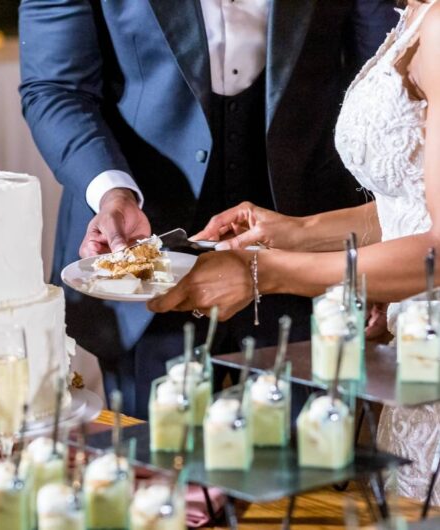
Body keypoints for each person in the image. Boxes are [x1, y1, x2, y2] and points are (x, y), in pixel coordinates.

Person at [19, 0, 397, 418]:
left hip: (307, 247)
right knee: (160, 467)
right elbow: (55, 88)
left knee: (312, 457)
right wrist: (113, 192)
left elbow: (384, 72)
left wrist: (378, 246)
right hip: (145, 263)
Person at [149, 0, 440, 504]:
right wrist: (295, 231)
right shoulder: (415, 13)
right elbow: (410, 204)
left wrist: (267, 272)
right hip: (413, 352)